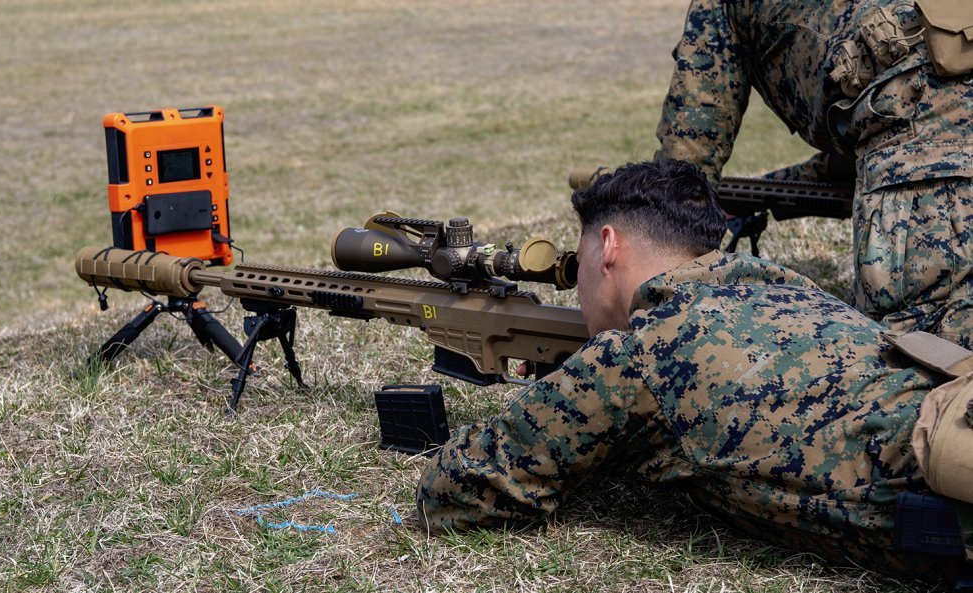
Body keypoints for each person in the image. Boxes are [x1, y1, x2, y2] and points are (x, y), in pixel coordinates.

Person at [416, 159, 973, 577]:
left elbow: (458, 492)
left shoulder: (642, 354)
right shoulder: (783, 286)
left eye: (579, 262)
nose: (578, 284)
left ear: (607, 247)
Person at [653, 0, 973, 348]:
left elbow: (685, 166)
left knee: (924, 365)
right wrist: (763, 191)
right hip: (926, 140)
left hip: (927, 157)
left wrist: (661, 243)